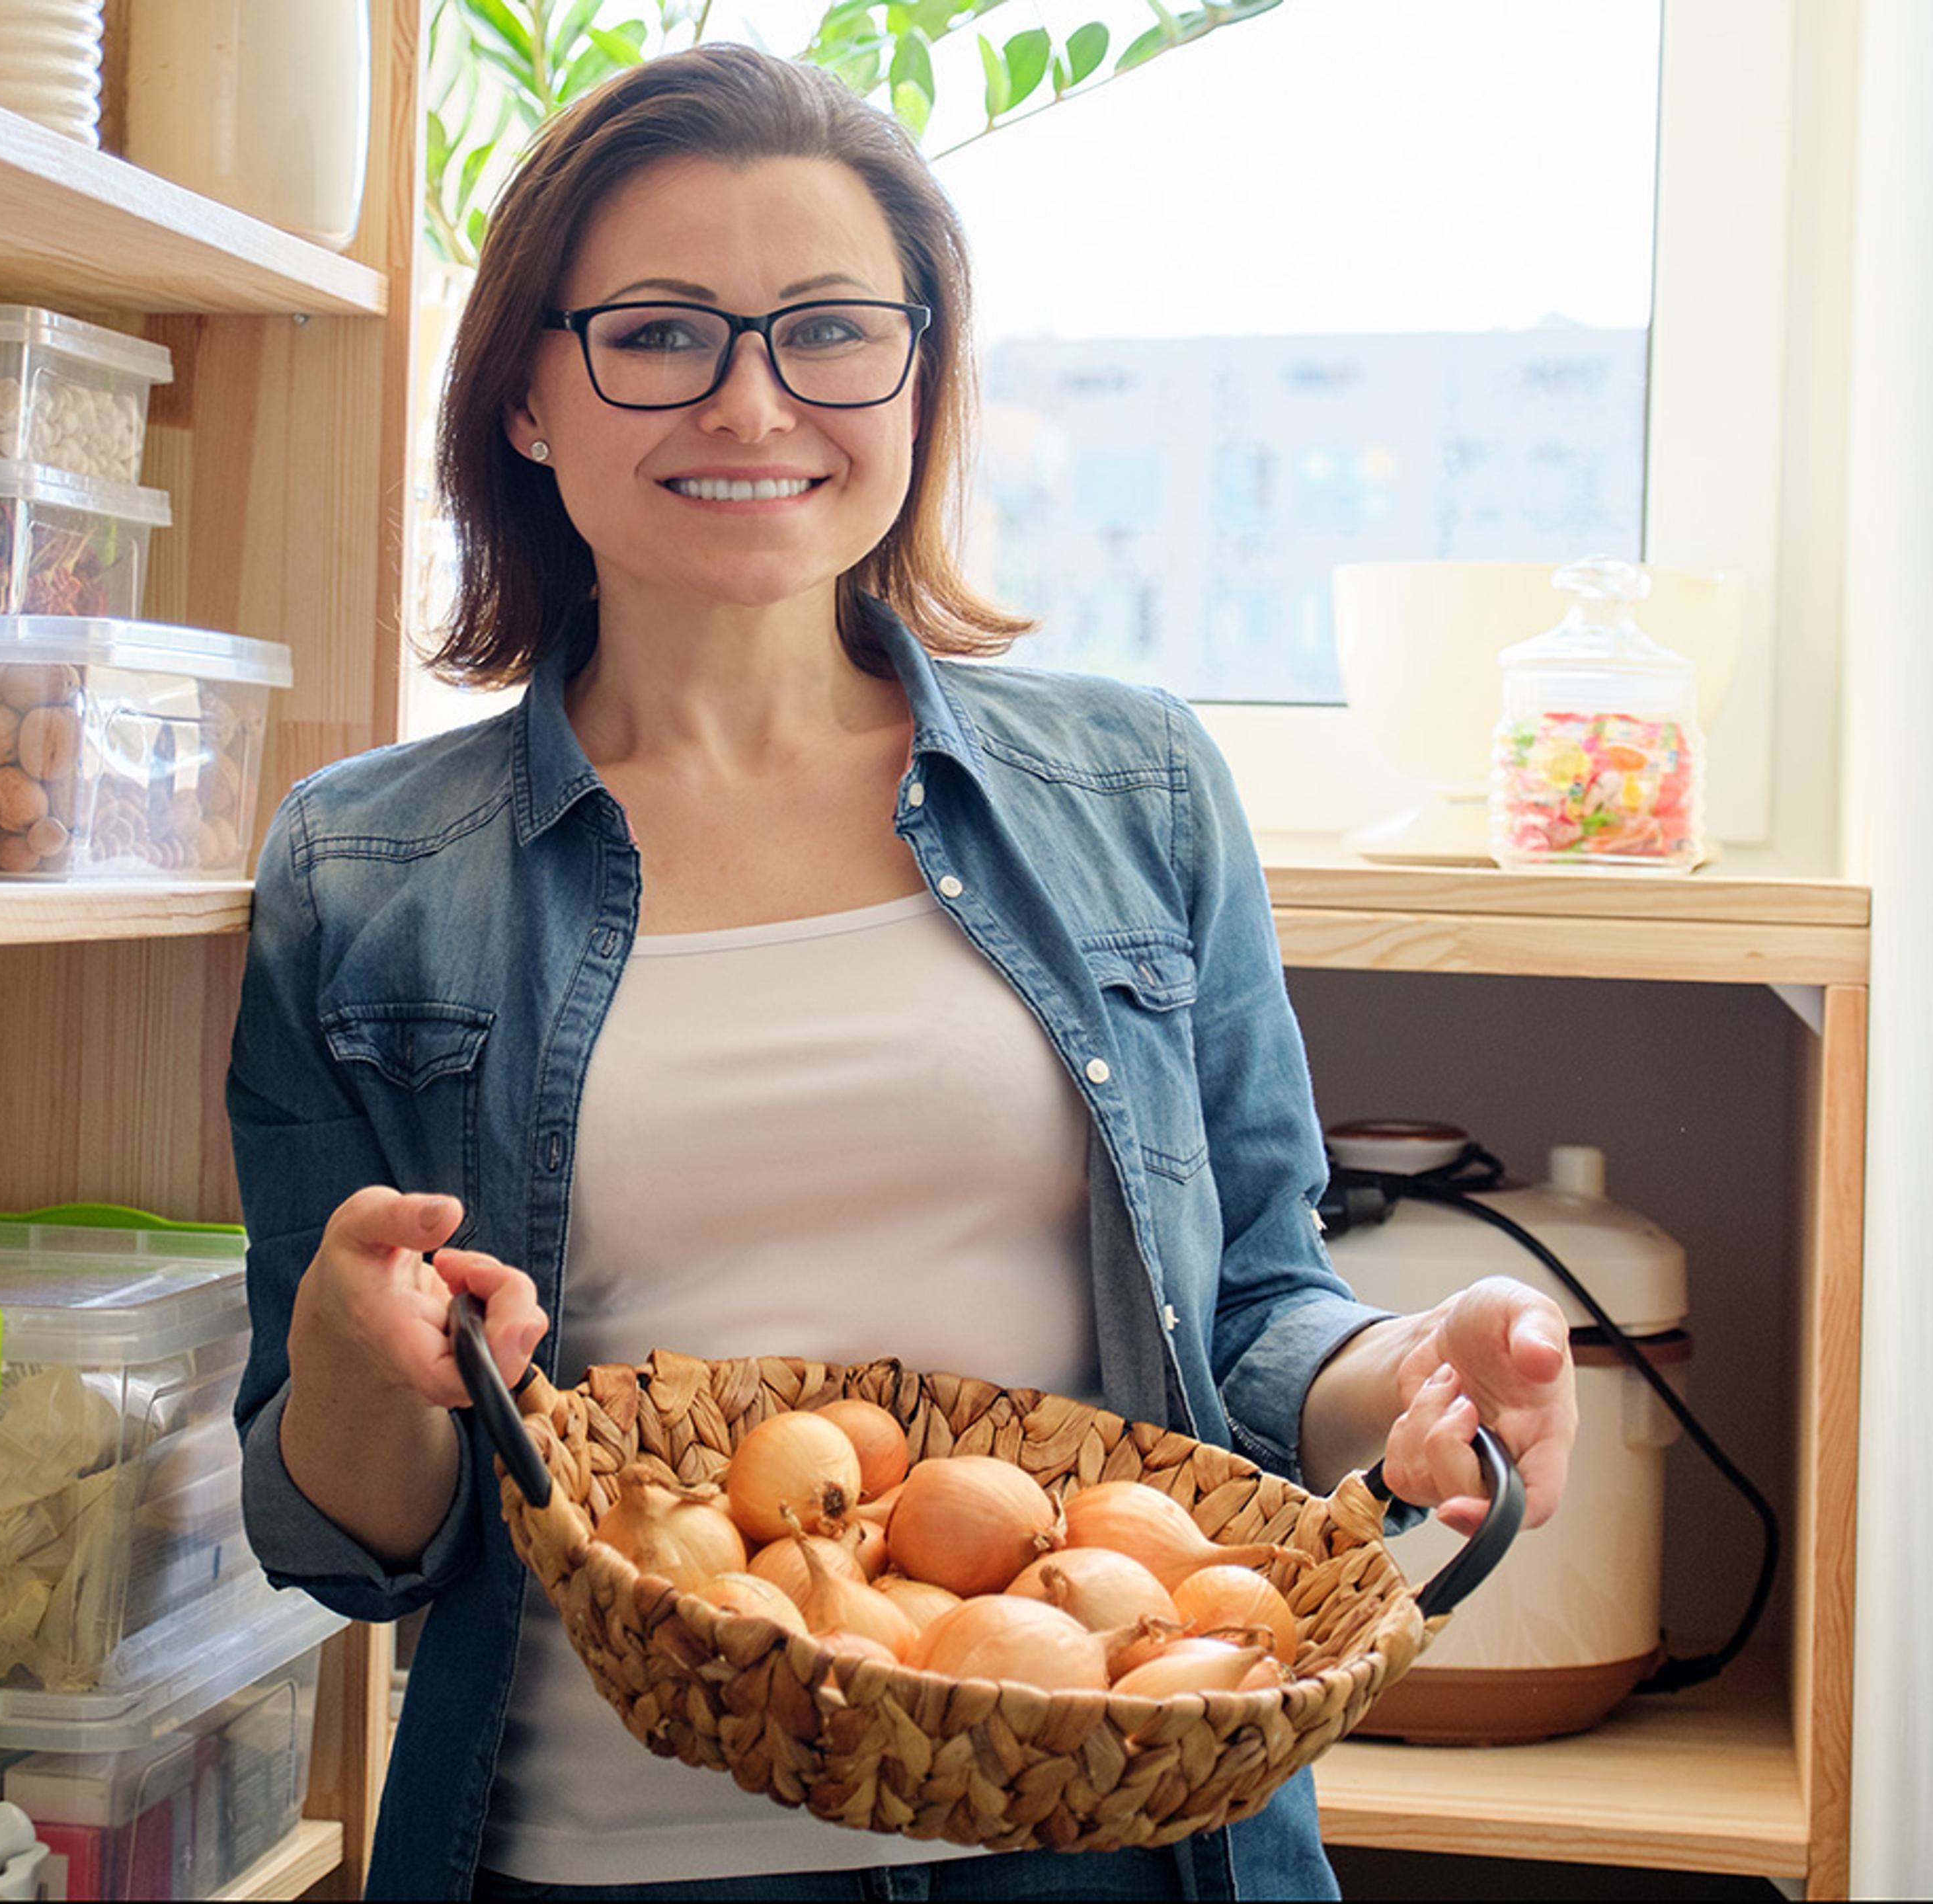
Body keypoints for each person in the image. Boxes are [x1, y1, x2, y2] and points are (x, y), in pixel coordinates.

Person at [227, 42, 1577, 1903]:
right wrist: (347, 1365)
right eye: (661, 332)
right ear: (530, 392)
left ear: (917, 381)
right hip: (603, 1845)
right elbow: (355, 1542)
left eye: (831, 331)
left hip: (1124, 1826)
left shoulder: (1137, 787)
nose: (754, 398)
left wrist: (1408, 1375)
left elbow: (1259, 1310)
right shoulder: (368, 869)